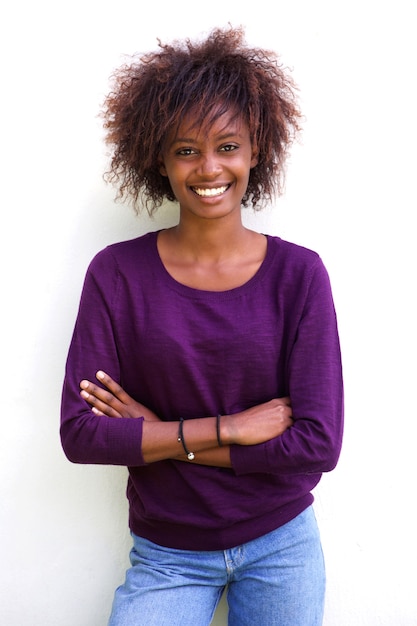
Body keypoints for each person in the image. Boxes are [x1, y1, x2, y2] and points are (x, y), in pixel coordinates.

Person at [60, 25, 344, 626]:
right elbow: (82, 435)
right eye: (186, 149)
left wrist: (160, 435)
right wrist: (235, 428)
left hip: (282, 545)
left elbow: (317, 445)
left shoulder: (300, 275)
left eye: (227, 145)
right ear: (158, 160)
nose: (208, 167)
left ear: (256, 150)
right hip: (168, 553)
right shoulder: (116, 274)